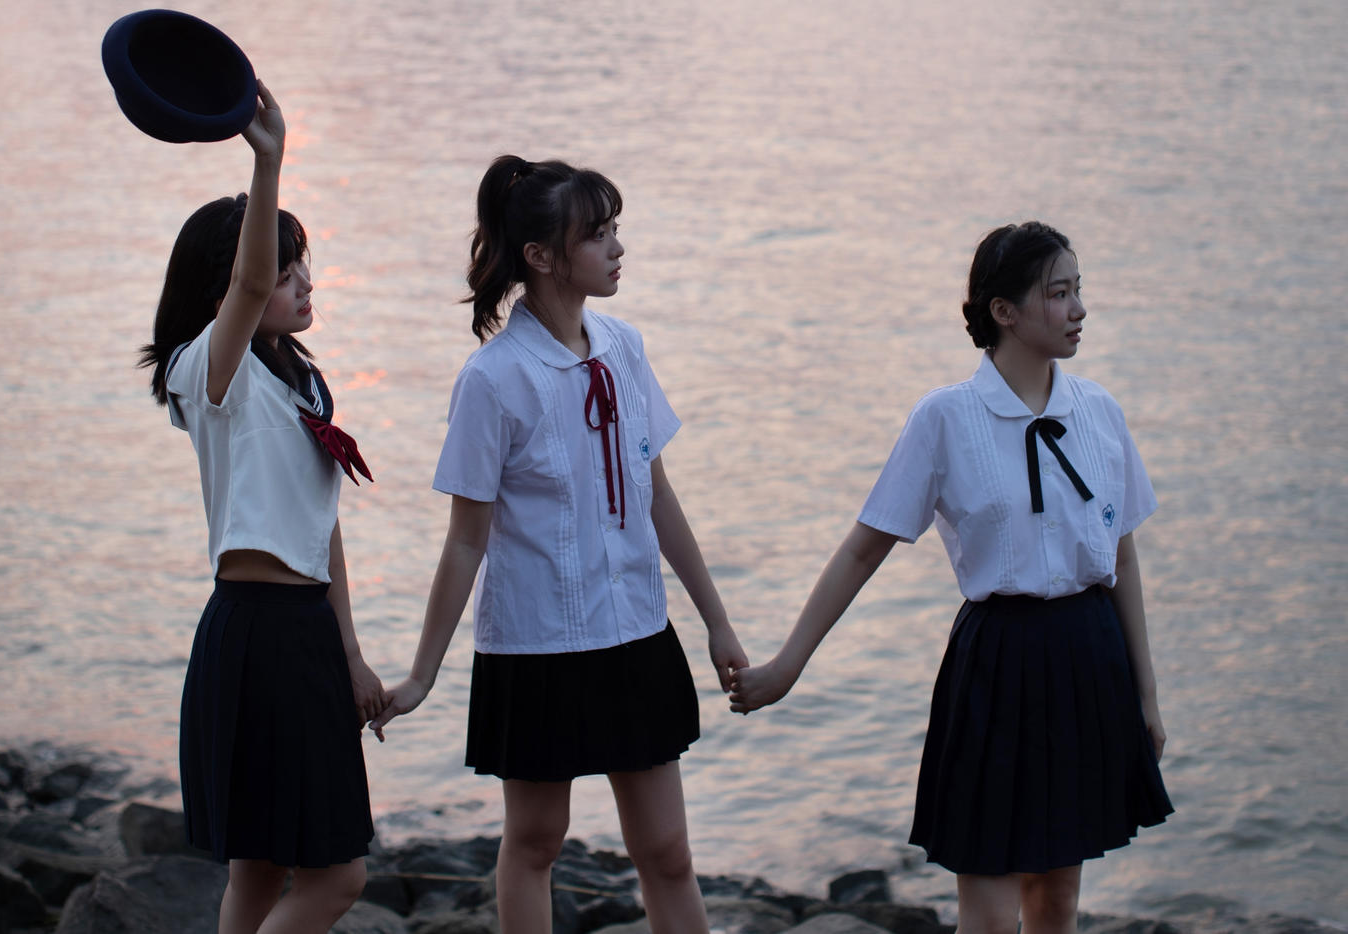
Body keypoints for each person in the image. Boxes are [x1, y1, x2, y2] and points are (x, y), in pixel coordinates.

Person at [729, 222, 1173, 934]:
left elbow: (1121, 559)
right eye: (1058, 293)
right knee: (990, 911)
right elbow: (863, 550)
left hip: (1089, 659)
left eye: (1078, 290)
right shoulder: (946, 417)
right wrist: (787, 666)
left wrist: (1146, 695)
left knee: (1057, 898)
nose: (1079, 309)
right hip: (998, 664)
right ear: (1004, 311)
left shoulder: (1099, 412)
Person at [370, 155, 749, 934]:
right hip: (537, 645)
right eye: (598, 235)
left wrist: (717, 623)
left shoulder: (626, 347)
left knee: (668, 851)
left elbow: (658, 496)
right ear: (541, 256)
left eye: (615, 230)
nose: (618, 248)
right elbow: (465, 543)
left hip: (637, 631)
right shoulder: (493, 379)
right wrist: (422, 675)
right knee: (537, 843)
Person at [138, 81, 385, 934]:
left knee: (259, 875)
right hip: (254, 635)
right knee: (339, 878)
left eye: (301, 264)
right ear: (230, 295)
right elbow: (244, 287)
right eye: (284, 273)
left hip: (305, 632)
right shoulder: (212, 372)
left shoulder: (301, 379)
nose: (303, 283)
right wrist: (268, 158)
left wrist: (351, 653)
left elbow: (323, 528)